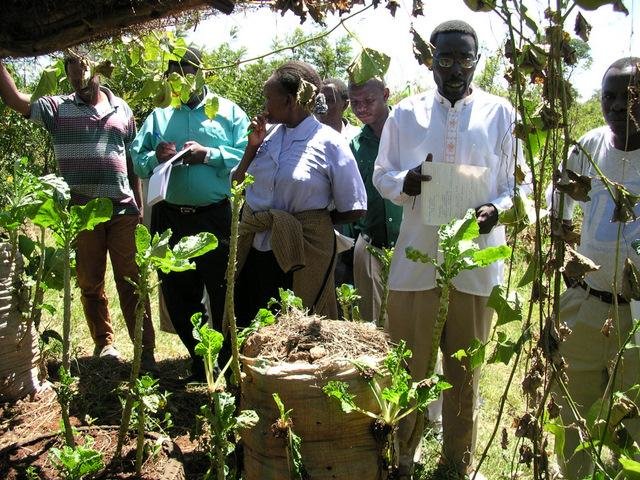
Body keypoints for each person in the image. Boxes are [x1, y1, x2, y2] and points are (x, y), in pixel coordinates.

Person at [373, 20, 526, 479]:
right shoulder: (405, 114)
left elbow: (519, 186)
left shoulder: (502, 115)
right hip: (417, 263)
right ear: (431, 60)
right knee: (411, 364)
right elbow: (382, 176)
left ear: (477, 61)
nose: (455, 68)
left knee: (464, 374)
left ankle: (456, 463)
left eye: (465, 58)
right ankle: (403, 456)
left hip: (475, 266)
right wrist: (409, 181)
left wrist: (496, 211)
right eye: (445, 58)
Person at [0, 55, 155, 368]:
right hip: (83, 212)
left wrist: (138, 206)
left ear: (95, 71)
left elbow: (131, 162)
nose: (77, 81)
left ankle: (146, 349)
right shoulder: (56, 108)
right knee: (91, 281)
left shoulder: (121, 108)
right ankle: (105, 344)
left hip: (122, 210)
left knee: (132, 280)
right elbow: (15, 99)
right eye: (71, 77)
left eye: (81, 74)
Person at [130, 47, 249, 380]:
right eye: (174, 75)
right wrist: (157, 156)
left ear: (202, 72)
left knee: (224, 292)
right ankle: (200, 361)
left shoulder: (228, 112)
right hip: (171, 218)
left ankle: (228, 363)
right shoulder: (159, 115)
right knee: (177, 295)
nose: (181, 81)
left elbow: (246, 154)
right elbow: (137, 158)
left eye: (187, 72)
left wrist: (207, 154)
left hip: (215, 216)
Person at [549, 57, 640, 480]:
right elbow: (559, 203)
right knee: (574, 415)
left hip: (636, 318)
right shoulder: (588, 145)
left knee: (635, 422)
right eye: (610, 97)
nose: (620, 106)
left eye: (632, 96)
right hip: (585, 306)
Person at [232, 60, 367, 326]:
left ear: (291, 100)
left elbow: (355, 206)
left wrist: (312, 224)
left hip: (303, 252)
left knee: (297, 326)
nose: (264, 105)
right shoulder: (266, 136)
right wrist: (251, 148)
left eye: (269, 98)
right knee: (251, 323)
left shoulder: (329, 142)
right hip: (257, 248)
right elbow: (236, 186)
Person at [347, 77, 401, 325]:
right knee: (374, 325)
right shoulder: (355, 145)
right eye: (354, 102)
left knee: (415, 321)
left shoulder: (408, 135)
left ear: (386, 94)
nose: (361, 109)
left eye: (369, 101)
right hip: (371, 244)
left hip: (410, 246)